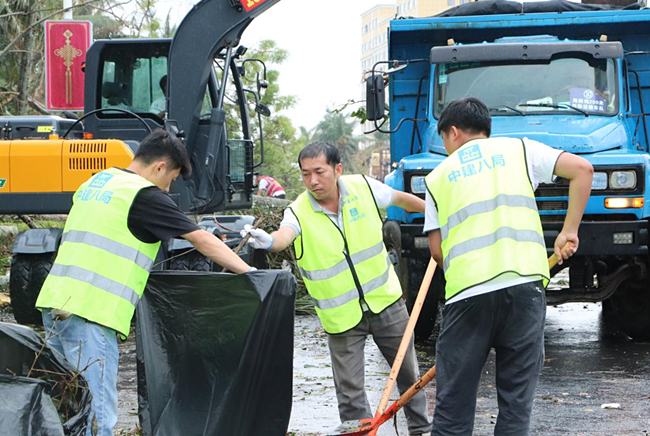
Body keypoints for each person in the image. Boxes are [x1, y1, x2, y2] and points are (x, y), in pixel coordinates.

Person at [35, 129, 254, 436]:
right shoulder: (143, 195)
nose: (168, 188)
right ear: (160, 167)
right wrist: (251, 274)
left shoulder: (97, 181)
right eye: (172, 179)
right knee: (97, 415)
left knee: (66, 407)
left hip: (55, 304)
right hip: (90, 313)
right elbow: (201, 238)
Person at [424, 97, 593, 436]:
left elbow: (437, 250)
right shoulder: (520, 149)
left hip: (467, 296)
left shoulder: (437, 176)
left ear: (453, 132)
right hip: (525, 290)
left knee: (453, 410)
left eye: (444, 140)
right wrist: (568, 231)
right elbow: (582, 170)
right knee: (516, 407)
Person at [242, 142, 432, 436]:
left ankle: (421, 430)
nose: (313, 181)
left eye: (319, 172)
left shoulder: (364, 188)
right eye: (306, 174)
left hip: (386, 303)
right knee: (350, 390)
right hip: (342, 317)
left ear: (337, 169)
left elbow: (402, 200)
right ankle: (359, 433)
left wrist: (434, 214)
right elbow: (283, 236)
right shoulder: (298, 211)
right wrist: (268, 240)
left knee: (408, 374)